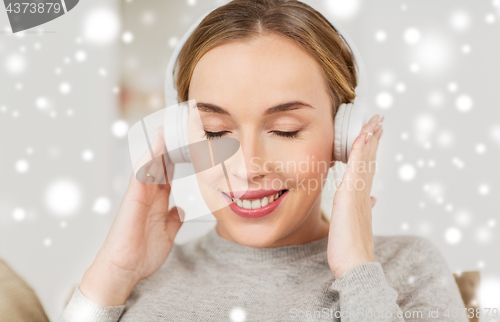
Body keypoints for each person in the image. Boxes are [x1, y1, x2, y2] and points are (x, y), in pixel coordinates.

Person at [58, 0, 467, 321]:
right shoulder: (124, 282)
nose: (248, 165)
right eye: (216, 131)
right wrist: (114, 271)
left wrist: (357, 270)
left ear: (343, 135)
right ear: (184, 139)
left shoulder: (405, 267)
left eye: (286, 129)